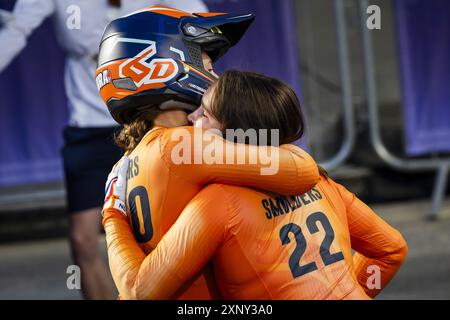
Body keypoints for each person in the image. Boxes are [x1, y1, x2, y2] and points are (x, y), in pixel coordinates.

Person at [103, 70, 408, 299]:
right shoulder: (325, 183)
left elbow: (138, 291)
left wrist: (113, 214)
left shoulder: (217, 203)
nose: (191, 117)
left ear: (236, 130)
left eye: (205, 113)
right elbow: (392, 249)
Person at [96, 7, 320, 299]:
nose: (216, 77)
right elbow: (301, 171)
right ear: (165, 66)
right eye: (209, 66)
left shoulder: (133, 156)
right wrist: (275, 141)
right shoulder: (183, 145)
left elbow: (132, 287)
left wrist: (112, 215)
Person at [0, 0, 208, 299]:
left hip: (148, 119)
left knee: (168, 230)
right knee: (82, 239)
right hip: (88, 126)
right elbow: (17, 28)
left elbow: (203, 25)